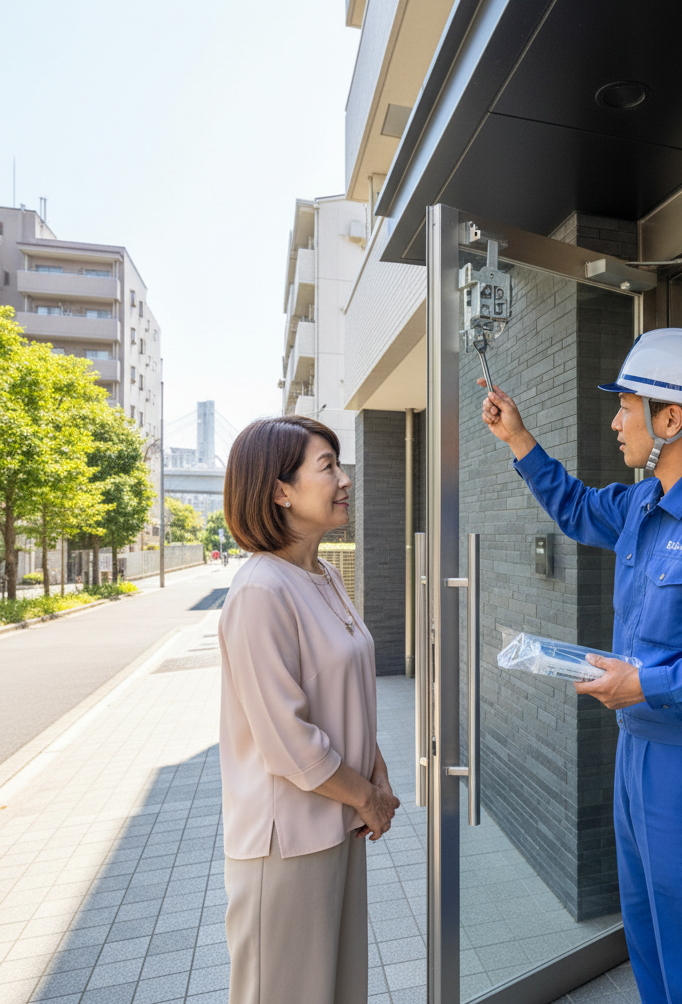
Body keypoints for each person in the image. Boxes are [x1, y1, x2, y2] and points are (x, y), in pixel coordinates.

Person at [480, 328, 682, 1004]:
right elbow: (575, 508)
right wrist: (518, 438)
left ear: (671, 419)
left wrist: (647, 683)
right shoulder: (643, 503)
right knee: (650, 941)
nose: (616, 421)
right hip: (637, 753)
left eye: (626, 407)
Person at [219, 416, 400, 1004]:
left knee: (339, 990)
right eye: (328, 467)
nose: (345, 479)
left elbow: (345, 690)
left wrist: (376, 772)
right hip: (288, 841)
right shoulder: (260, 591)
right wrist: (367, 796)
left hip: (337, 823)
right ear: (280, 491)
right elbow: (286, 739)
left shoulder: (321, 575)